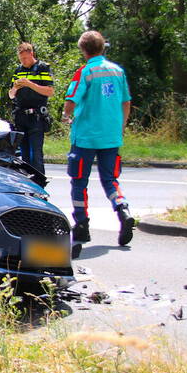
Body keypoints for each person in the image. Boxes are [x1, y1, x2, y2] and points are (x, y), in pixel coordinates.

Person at [63, 30, 135, 246]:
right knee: (110, 180)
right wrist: (120, 127)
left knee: (79, 181)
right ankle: (123, 210)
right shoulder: (118, 71)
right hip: (111, 137)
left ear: (83, 50)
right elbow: (126, 102)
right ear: (103, 47)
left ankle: (82, 224)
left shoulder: (85, 72)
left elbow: (71, 100)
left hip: (86, 137)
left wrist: (67, 116)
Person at [9, 42, 54, 174]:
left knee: (36, 154)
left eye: (25, 58)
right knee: (24, 155)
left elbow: (50, 91)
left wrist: (29, 84)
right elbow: (11, 95)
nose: (23, 61)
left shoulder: (43, 68)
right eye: (21, 59)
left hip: (36, 116)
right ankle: (26, 182)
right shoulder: (18, 70)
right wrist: (16, 87)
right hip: (21, 116)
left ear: (31, 54)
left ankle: (39, 184)